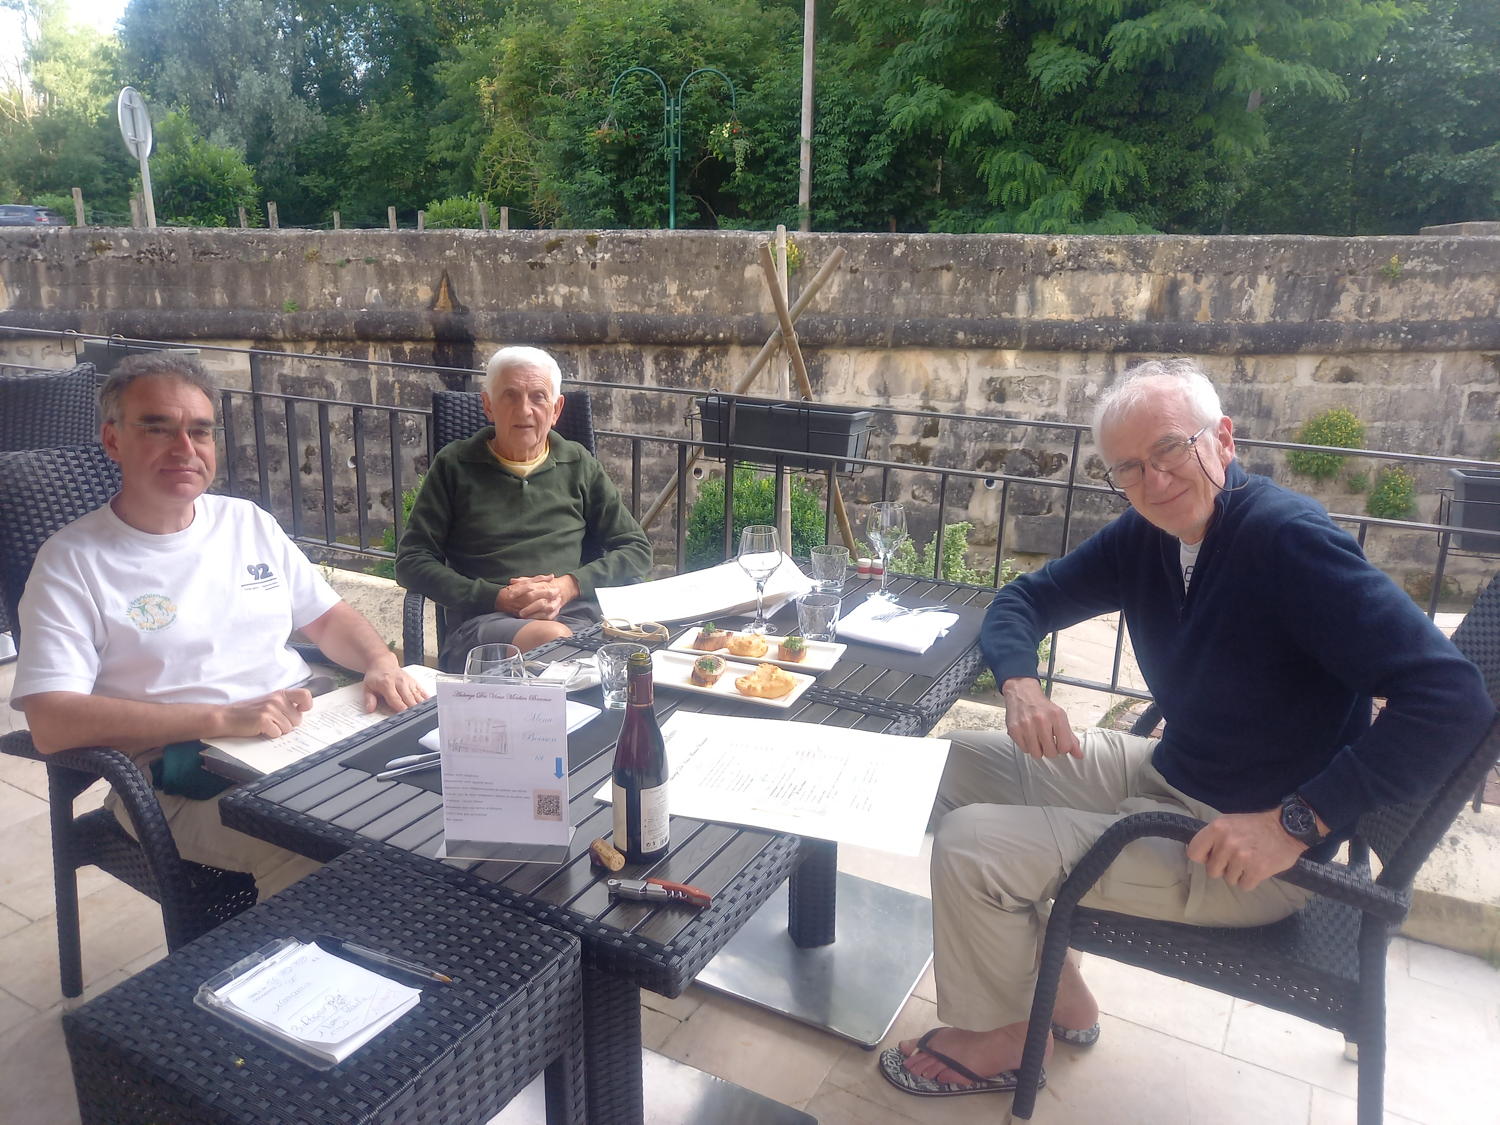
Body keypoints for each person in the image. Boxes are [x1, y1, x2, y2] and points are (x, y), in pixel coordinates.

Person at [882, 358, 1495, 1097]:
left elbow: (1453, 699)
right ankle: (1058, 991)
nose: (1155, 479)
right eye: (1130, 467)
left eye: (1171, 448)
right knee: (951, 764)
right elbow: (1022, 600)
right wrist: (1020, 685)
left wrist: (1297, 822)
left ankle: (1011, 1035)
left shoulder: (1286, 542)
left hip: (1243, 849)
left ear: (1224, 439)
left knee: (973, 846)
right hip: (1169, 773)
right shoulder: (1147, 535)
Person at [12, 353, 428, 899]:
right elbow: (52, 723)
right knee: (325, 848)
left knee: (433, 791)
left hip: (305, 728)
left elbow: (328, 617)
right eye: (157, 427)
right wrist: (224, 716)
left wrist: (379, 663)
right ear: (112, 441)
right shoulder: (72, 561)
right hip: (178, 771)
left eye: (200, 431)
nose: (184, 448)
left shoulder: (246, 522)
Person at [396, 345, 652, 671]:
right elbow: (411, 562)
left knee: (640, 652)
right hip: (484, 629)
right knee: (560, 644)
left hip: (578, 617)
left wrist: (568, 586)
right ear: (488, 405)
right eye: (510, 396)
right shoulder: (454, 466)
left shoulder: (578, 464)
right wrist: (496, 596)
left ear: (557, 409)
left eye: (538, 397)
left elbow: (636, 549)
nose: (525, 409)